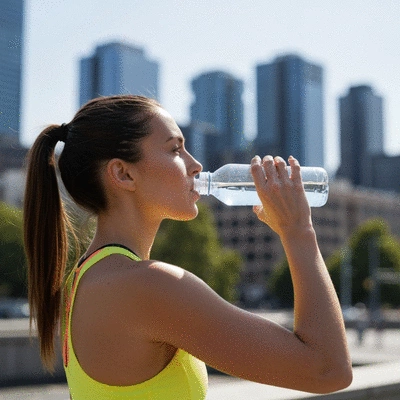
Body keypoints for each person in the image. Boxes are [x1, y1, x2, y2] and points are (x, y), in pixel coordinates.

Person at [23, 95, 352, 399]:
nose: (195, 164)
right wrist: (298, 231)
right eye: (175, 149)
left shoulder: (84, 278)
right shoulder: (146, 286)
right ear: (123, 173)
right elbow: (328, 370)